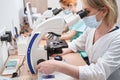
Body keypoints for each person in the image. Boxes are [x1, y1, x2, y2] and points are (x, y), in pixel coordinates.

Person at [37, 0, 120, 80]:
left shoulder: (117, 39)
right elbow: (75, 44)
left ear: (104, 11)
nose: (83, 16)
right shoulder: (92, 30)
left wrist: (58, 66)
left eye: (87, 11)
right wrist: (55, 51)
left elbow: (99, 72)